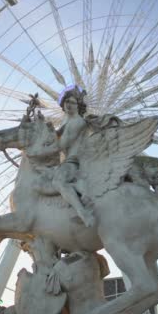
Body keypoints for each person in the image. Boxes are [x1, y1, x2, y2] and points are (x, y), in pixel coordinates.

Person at [32, 84, 96, 227]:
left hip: (75, 162)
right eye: (66, 102)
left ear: (79, 105)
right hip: (66, 162)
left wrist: (37, 154)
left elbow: (61, 145)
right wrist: (41, 124)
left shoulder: (77, 122)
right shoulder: (66, 120)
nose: (68, 105)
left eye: (72, 102)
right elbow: (55, 135)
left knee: (58, 182)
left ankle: (83, 212)